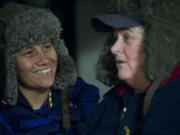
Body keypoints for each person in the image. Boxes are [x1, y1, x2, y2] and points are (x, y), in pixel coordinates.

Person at [74, 0, 180, 135]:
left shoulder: (173, 100)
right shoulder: (116, 97)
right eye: (115, 37)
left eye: (127, 37)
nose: (113, 48)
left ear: (159, 43)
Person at [0, 4, 99, 135]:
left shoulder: (81, 97)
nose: (45, 60)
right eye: (29, 52)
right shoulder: (4, 117)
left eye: (47, 47)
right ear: (7, 63)